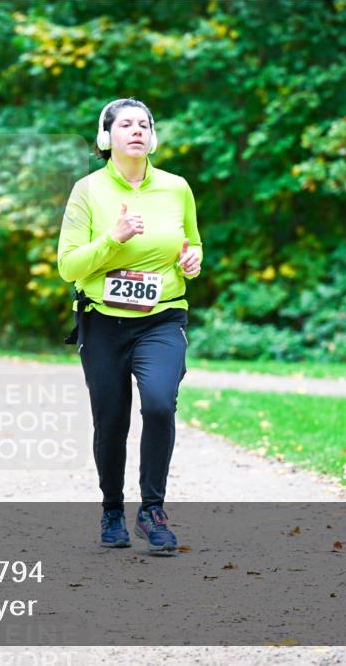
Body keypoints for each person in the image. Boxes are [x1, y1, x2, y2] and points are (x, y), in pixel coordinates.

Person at [57, 98, 202, 555]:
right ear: (107, 137)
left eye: (144, 124)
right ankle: (112, 510)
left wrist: (192, 260)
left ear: (153, 137)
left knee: (159, 404)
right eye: (126, 124)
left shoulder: (177, 188)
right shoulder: (86, 191)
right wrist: (113, 239)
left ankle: (152, 510)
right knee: (111, 419)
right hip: (102, 322)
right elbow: (68, 265)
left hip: (163, 317)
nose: (137, 130)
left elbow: (192, 243)